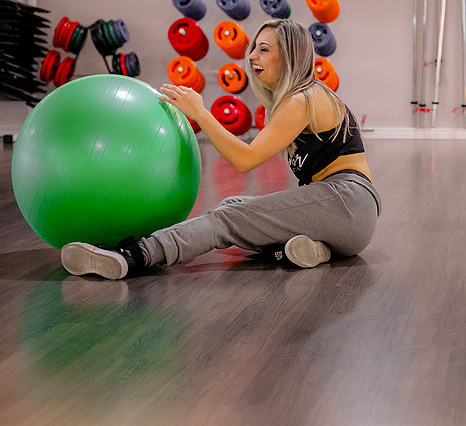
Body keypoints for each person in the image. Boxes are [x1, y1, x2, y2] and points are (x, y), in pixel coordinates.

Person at [61, 18, 381, 279]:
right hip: (348, 216)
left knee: (228, 217)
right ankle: (310, 248)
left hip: (346, 204)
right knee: (235, 202)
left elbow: (245, 159)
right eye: (254, 48)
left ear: (290, 56)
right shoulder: (311, 96)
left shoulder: (303, 99)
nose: (252, 56)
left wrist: (200, 112)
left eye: (264, 49)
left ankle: (133, 256)